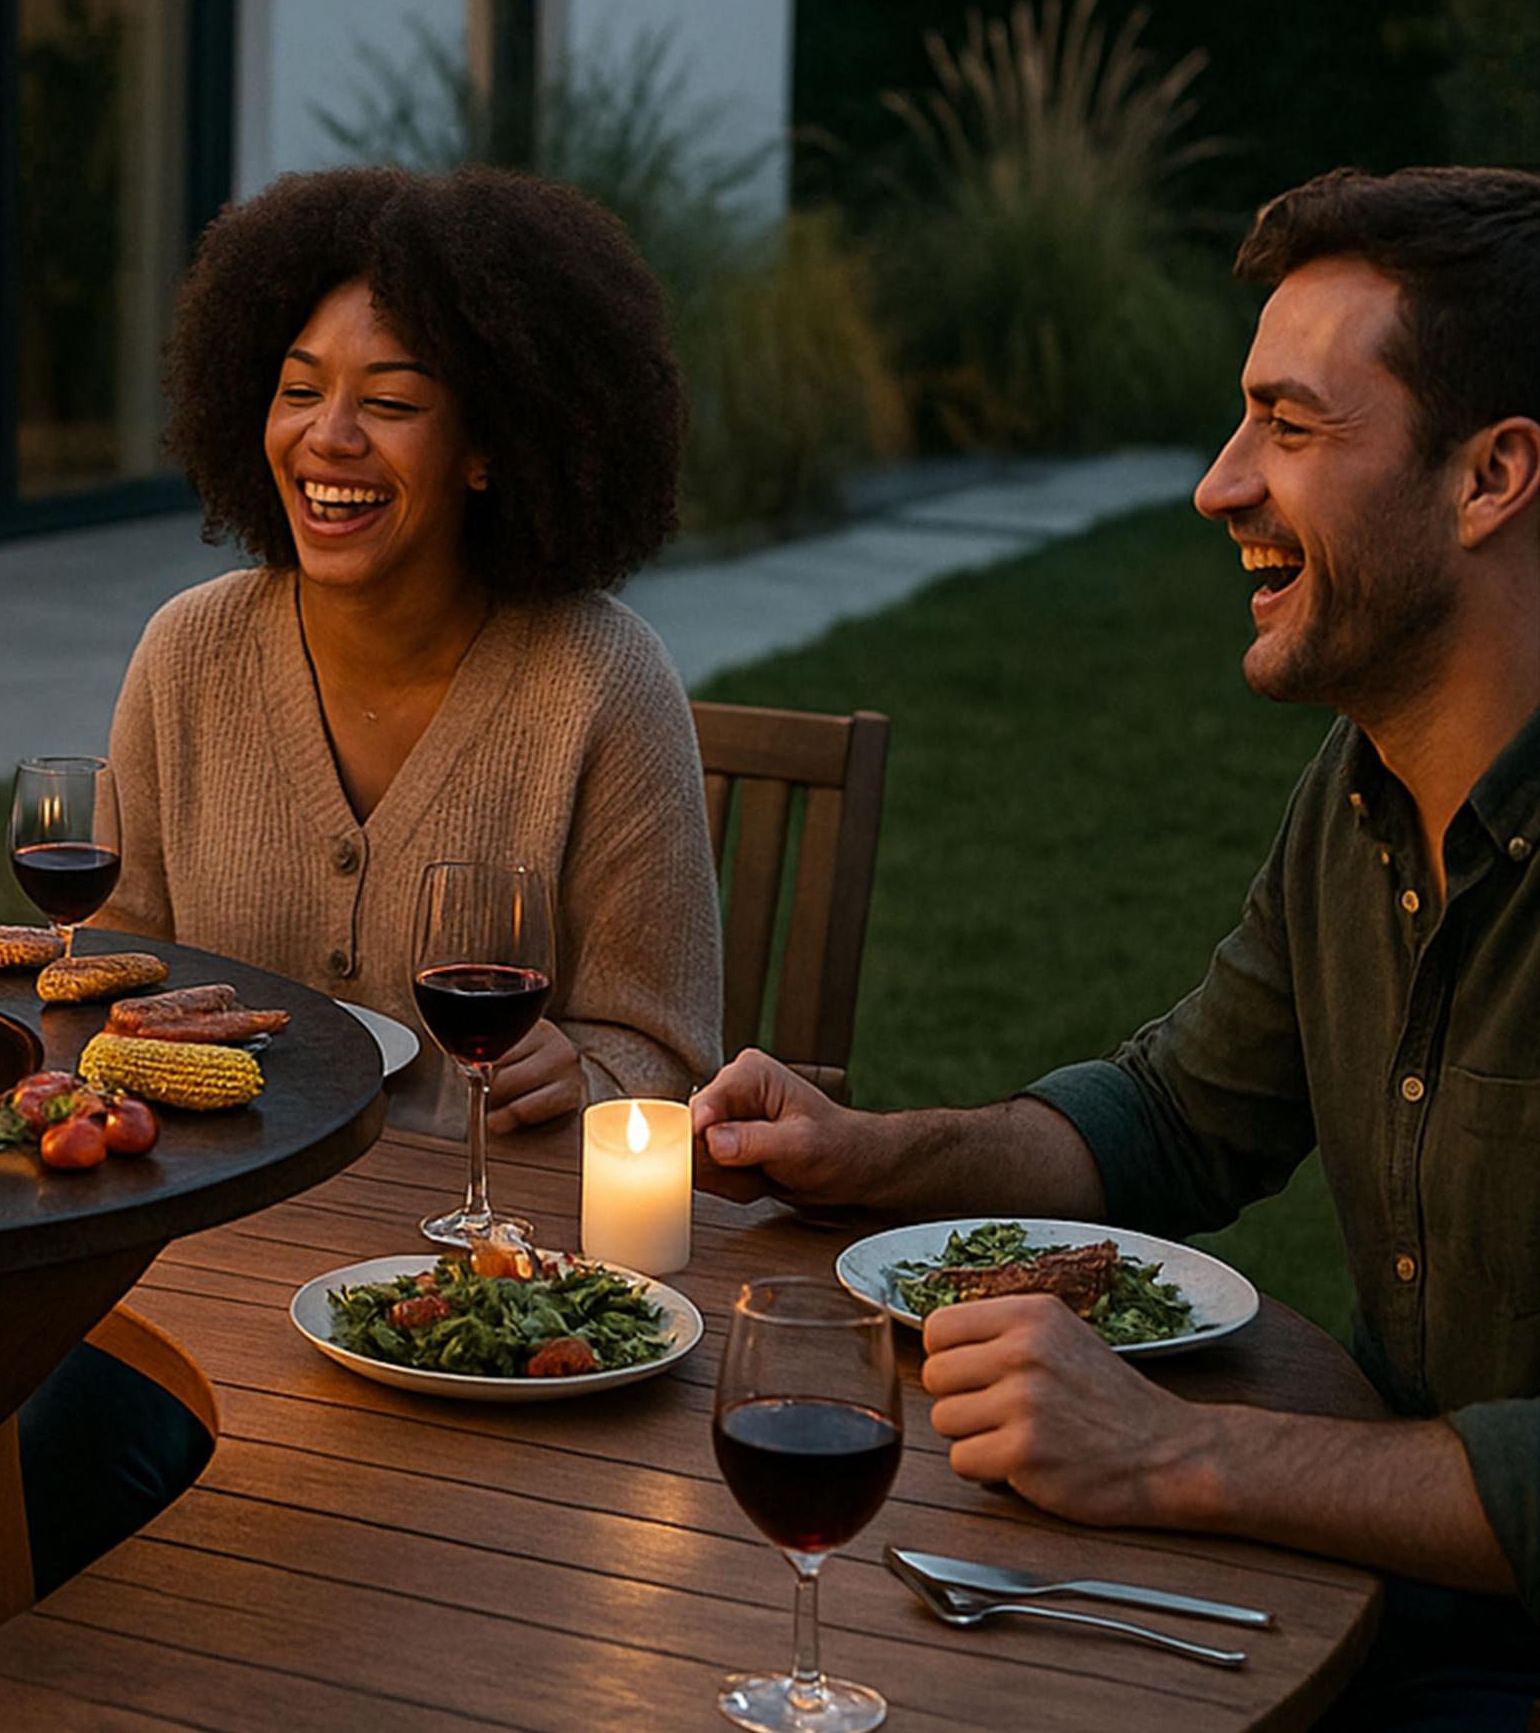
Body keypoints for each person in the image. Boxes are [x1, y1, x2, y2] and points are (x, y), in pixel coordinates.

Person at [689, 166, 1540, 1729]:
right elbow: (1175, 1117)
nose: (1221, 485)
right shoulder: (1357, 800)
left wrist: (1171, 1449)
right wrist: (875, 1154)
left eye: (1293, 429)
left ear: (1489, 478)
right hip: (1368, 1602)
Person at [106, 165, 723, 1137]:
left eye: (391, 405)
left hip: (483, 1245)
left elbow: (669, 1061)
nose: (329, 436)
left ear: (492, 446)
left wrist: (587, 1078)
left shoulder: (599, 681)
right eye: (299, 389)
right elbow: (120, 956)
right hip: (218, 1208)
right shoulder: (188, 652)